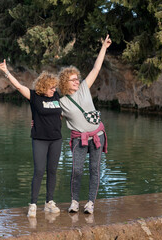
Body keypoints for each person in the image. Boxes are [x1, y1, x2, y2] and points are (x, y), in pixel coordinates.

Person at [0, 59, 62, 218]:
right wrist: (6, 71)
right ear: (44, 87)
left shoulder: (56, 96)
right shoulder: (34, 96)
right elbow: (18, 86)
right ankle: (33, 204)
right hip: (39, 139)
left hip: (56, 139)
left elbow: (61, 113)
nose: (54, 90)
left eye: (55, 87)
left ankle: (49, 202)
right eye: (51, 87)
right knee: (39, 170)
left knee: (52, 170)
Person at [58, 34, 112, 214]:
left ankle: (90, 203)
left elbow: (96, 68)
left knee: (95, 169)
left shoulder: (84, 88)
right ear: (65, 82)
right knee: (77, 170)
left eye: (77, 78)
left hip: (97, 136)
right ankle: (74, 202)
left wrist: (103, 47)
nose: (77, 81)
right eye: (73, 79)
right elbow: (51, 116)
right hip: (78, 139)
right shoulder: (62, 102)